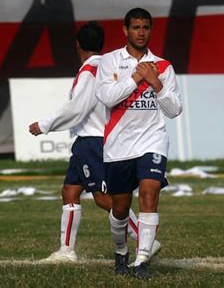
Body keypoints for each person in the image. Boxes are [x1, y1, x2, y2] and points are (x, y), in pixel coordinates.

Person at [28, 21, 160, 261]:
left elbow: (77, 107)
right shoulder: (108, 65)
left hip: (94, 139)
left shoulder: (91, 70)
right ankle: (66, 251)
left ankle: (144, 238)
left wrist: (45, 125)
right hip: (86, 140)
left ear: (77, 45)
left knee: (102, 197)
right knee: (70, 191)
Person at [95, 8, 182, 278]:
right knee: (120, 208)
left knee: (149, 192)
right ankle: (121, 250)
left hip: (152, 139)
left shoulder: (163, 66)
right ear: (125, 30)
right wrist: (136, 77)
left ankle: (142, 259)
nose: (141, 33)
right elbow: (107, 97)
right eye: (136, 28)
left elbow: (174, 109)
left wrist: (156, 83)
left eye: (146, 27)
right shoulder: (110, 61)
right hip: (119, 144)